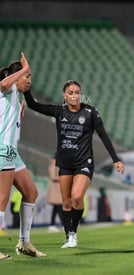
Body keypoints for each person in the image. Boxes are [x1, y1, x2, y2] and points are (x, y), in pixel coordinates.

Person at [23, 79, 125, 248]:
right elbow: (33, 105)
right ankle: (69, 235)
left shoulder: (90, 112)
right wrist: (26, 91)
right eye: (70, 93)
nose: (74, 96)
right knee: (66, 202)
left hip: (84, 161)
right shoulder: (59, 111)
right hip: (65, 162)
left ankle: (73, 233)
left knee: (77, 196)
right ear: (64, 95)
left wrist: (116, 159)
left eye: (77, 92)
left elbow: (104, 136)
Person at [1, 53, 46, 259]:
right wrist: (23, 69)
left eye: (29, 76)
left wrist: (18, 116)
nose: (29, 80)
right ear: (16, 77)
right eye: (27, 76)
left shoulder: (16, 99)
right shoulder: (7, 90)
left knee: (31, 192)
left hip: (13, 152)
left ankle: (24, 242)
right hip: (2, 150)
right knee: (1, 200)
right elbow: (2, 85)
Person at [47, 155, 63, 232]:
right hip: (55, 189)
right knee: (58, 207)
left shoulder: (56, 165)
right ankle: (55, 224)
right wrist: (63, 177)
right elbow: (53, 177)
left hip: (57, 189)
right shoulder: (54, 165)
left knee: (57, 208)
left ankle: (52, 224)